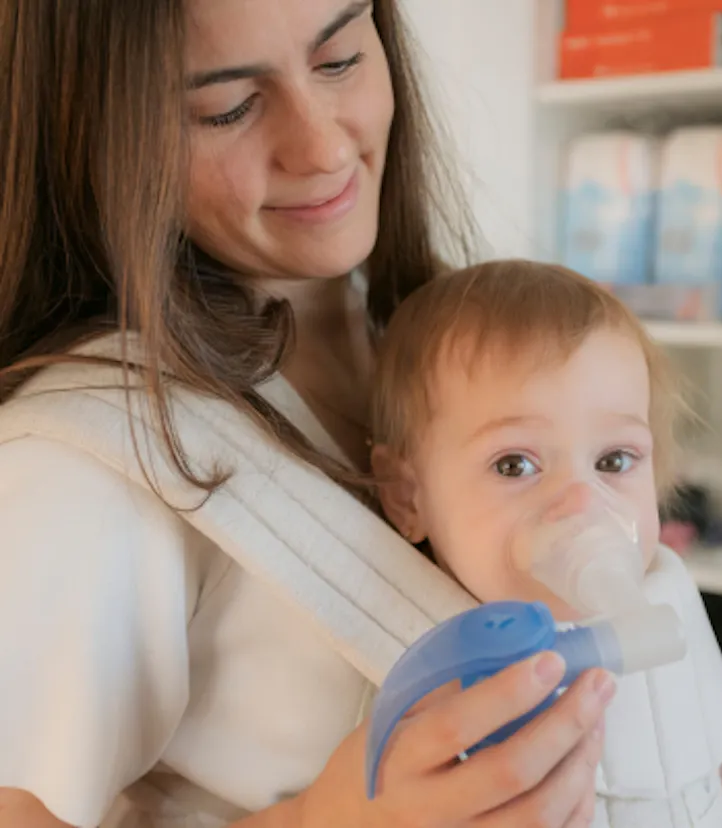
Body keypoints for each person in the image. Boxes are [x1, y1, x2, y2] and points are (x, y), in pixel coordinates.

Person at [0, 2, 617, 827]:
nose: (325, 146)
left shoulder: (436, 344)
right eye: (227, 108)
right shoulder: (83, 470)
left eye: (339, 62)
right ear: (92, 136)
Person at [370, 260, 722, 828]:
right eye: (514, 464)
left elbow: (671, 714)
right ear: (409, 498)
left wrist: (719, 766)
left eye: (613, 460)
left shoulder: (659, 586)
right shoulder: (434, 668)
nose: (582, 504)